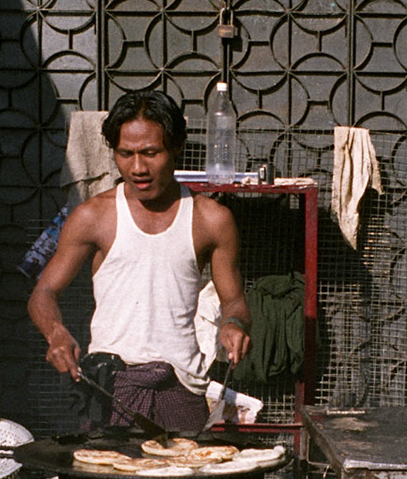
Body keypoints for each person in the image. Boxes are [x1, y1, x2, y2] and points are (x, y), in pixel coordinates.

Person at [27, 89, 250, 429]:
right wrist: (56, 333)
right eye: (125, 154)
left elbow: (233, 300)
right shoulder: (94, 216)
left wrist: (233, 325)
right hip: (111, 387)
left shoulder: (211, 219)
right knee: (104, 475)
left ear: (176, 148)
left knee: (191, 474)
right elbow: (42, 294)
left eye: (150, 153)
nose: (138, 168)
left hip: (182, 387)